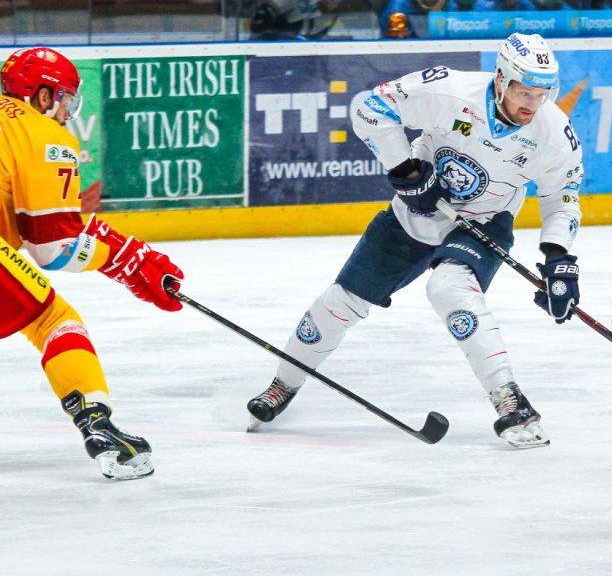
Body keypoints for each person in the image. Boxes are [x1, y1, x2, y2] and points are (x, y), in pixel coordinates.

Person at [246, 33, 583, 449]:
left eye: (542, 94)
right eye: (523, 92)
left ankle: (510, 400)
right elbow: (371, 108)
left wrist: (558, 255)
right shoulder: (452, 91)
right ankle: (283, 383)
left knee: (450, 289)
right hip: (415, 212)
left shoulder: (554, 132)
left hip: (483, 220)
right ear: (500, 79)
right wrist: (406, 173)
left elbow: (563, 195)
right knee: (339, 303)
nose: (532, 104)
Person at [0, 47, 185, 480]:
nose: (66, 112)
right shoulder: (43, 133)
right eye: (64, 99)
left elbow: (38, 218)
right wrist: (126, 261)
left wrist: (122, 248)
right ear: (42, 96)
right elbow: (53, 247)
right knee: (53, 321)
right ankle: (97, 423)